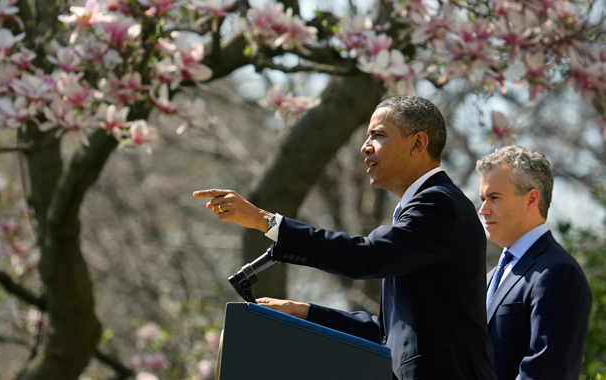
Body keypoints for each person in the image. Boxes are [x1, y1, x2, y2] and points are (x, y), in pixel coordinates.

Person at [195, 96, 496, 380]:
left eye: (378, 135)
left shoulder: (439, 204)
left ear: (418, 143)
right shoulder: (427, 207)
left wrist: (266, 221)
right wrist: (302, 311)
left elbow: (365, 257)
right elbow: (388, 333)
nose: (365, 147)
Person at [476, 146, 592, 380]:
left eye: (494, 198)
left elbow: (545, 373)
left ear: (531, 199)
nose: (483, 210)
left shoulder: (558, 273)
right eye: (482, 199)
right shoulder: (490, 278)